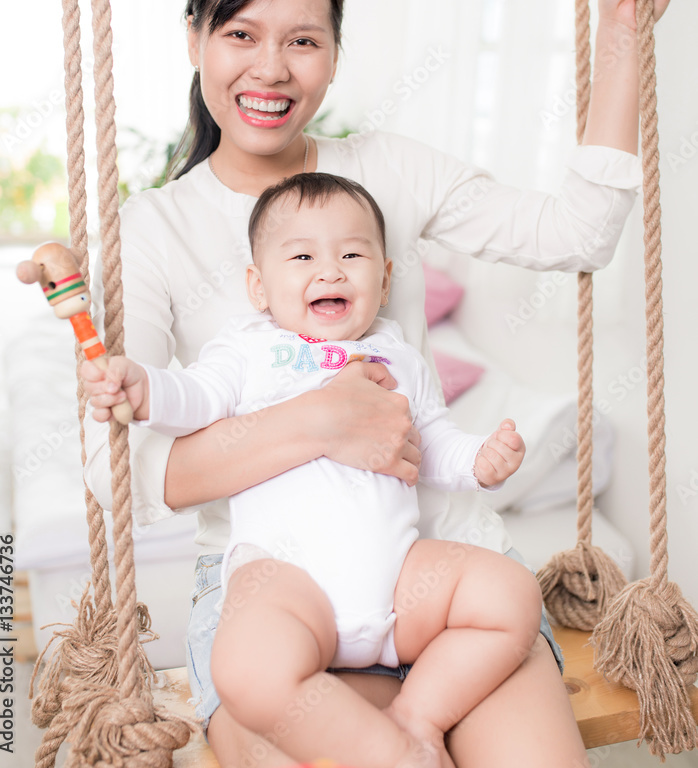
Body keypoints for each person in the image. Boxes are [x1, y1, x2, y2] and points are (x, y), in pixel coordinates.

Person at [84, 0, 672, 767]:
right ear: (194, 39)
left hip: (444, 570)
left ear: (333, 53)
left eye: (304, 41)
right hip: (280, 590)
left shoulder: (388, 170)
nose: (271, 70)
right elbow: (121, 466)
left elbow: (578, 233)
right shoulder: (155, 229)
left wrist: (620, 36)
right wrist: (321, 424)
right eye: (240, 33)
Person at [83, 172, 541, 768]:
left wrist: (480, 462)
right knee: (249, 673)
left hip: (402, 584)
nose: (330, 271)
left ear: (386, 279)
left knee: (511, 596)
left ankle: (418, 716)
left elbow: (431, 443)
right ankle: (394, 752)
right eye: (302, 256)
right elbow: (191, 397)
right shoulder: (247, 349)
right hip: (288, 581)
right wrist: (144, 389)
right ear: (259, 286)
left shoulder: (397, 354)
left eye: (352, 254)